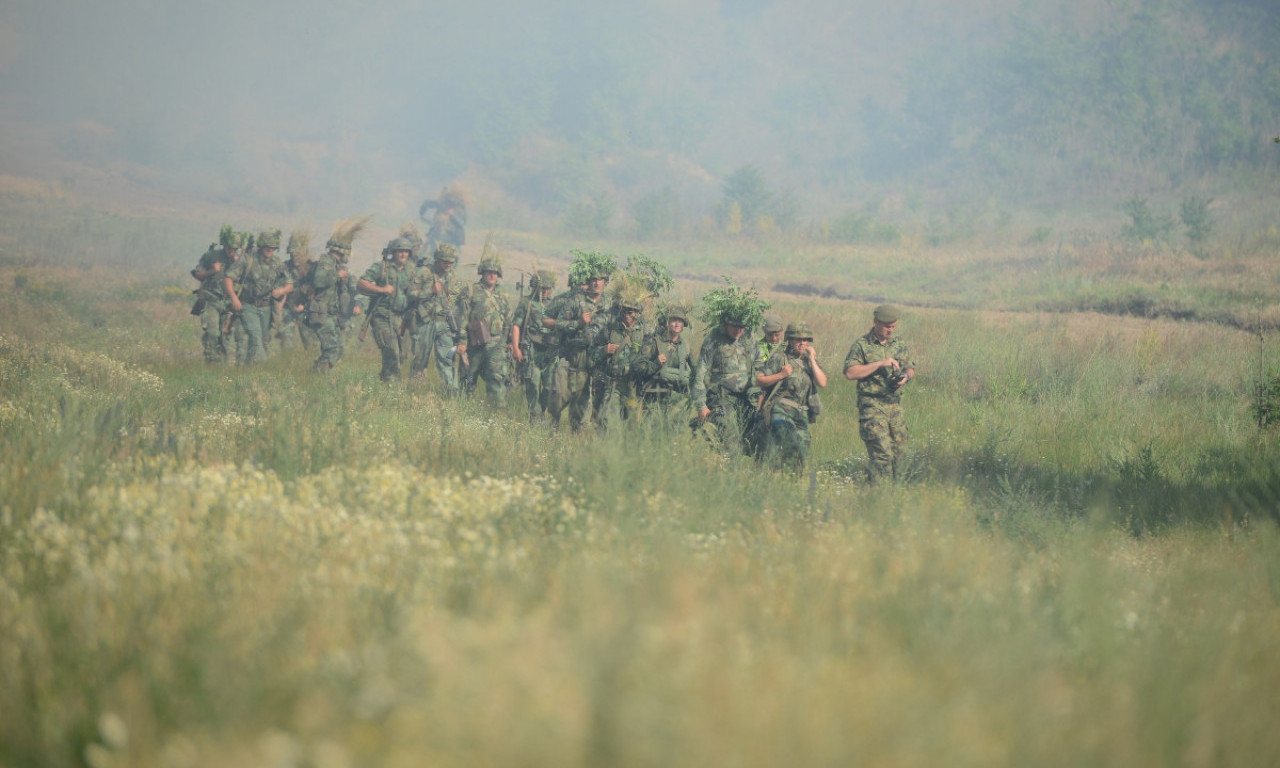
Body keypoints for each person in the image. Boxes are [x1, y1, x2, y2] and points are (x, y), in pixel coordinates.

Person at [543, 251, 616, 430]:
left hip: (592, 362)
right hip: (571, 357)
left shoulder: (609, 306)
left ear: (605, 282)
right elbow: (559, 323)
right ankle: (552, 427)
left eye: (600, 279)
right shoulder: (576, 301)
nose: (596, 282)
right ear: (588, 281)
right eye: (593, 279)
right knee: (558, 398)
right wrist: (578, 323)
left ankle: (576, 441)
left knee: (581, 409)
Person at [843, 304, 915, 484]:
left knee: (901, 453)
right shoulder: (862, 345)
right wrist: (879, 364)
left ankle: (895, 491)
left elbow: (910, 368)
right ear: (875, 322)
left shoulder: (899, 345)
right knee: (882, 453)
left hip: (894, 405)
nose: (890, 330)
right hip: (872, 406)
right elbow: (850, 373)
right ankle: (880, 493)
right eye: (886, 326)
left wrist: (905, 377)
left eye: (893, 326)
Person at [298, 216, 369, 373]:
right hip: (320, 312)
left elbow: (352, 287)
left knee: (340, 348)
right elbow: (318, 281)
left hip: (331, 315)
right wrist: (337, 275)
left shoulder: (337, 265)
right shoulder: (326, 262)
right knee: (332, 350)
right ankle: (317, 376)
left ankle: (314, 373)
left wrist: (357, 303)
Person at [755, 322, 828, 471]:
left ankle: (790, 482)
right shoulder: (780, 357)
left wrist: (812, 359)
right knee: (791, 443)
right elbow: (759, 380)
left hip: (802, 414)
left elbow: (822, 382)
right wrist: (781, 375)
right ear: (790, 340)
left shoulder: (809, 361)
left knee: (802, 456)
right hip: (782, 409)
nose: (802, 343)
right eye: (798, 339)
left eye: (805, 340)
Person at [586, 276, 650, 430]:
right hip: (612, 383)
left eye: (632, 311)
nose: (629, 314)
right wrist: (603, 350)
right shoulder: (609, 330)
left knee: (631, 422)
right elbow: (591, 354)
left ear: (637, 313)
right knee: (609, 419)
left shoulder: (644, 332)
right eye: (626, 310)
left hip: (632, 385)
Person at [692, 316, 761, 454]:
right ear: (725, 324)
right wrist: (701, 406)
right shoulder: (713, 340)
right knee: (731, 439)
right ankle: (730, 471)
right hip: (721, 397)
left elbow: (758, 364)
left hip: (746, 399)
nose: (738, 330)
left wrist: (759, 392)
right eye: (734, 326)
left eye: (742, 327)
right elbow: (700, 374)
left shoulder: (750, 338)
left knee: (755, 440)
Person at [224, 228, 291, 364]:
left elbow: (290, 283)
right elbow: (228, 278)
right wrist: (234, 298)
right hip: (248, 307)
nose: (270, 250)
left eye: (273, 248)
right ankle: (264, 367)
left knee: (264, 341)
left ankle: (248, 370)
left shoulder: (278, 263)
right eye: (267, 247)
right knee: (255, 337)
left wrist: (281, 290)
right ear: (261, 246)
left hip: (266, 308)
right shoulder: (248, 260)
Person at [454, 253, 512, 405]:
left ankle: (496, 412)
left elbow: (508, 319)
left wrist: (509, 341)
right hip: (474, 343)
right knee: (468, 378)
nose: (491, 275)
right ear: (482, 273)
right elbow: (463, 318)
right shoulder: (471, 291)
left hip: (496, 344)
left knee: (496, 377)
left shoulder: (503, 294)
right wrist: (461, 341)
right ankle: (462, 408)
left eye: (495, 273)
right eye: (488, 272)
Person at [358, 237, 416, 381]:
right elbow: (361, 283)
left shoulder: (411, 270)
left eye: (406, 251)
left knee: (402, 355)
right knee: (391, 352)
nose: (403, 255)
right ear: (393, 252)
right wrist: (381, 289)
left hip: (402, 318)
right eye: (399, 251)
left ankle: (385, 382)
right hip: (382, 316)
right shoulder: (382, 267)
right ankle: (392, 387)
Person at [408, 243, 462, 394]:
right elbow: (411, 294)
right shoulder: (423, 272)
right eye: (445, 261)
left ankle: (452, 392)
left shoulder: (453, 276)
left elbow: (456, 300)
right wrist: (429, 291)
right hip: (424, 321)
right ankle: (415, 392)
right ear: (437, 260)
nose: (448, 265)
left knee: (447, 357)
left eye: (451, 262)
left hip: (445, 323)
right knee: (420, 359)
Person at [633, 302, 694, 422]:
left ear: (683, 325)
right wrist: (656, 363)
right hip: (654, 396)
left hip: (677, 400)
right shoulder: (654, 342)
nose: (676, 324)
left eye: (680, 321)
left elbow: (696, 371)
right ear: (667, 322)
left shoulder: (685, 346)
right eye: (673, 320)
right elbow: (638, 366)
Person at [511, 270, 558, 421]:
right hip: (531, 350)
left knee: (550, 386)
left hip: (549, 352)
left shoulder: (554, 304)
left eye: (548, 288)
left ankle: (541, 409)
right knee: (532, 384)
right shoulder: (527, 302)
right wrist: (516, 347)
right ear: (535, 287)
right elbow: (516, 325)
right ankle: (536, 417)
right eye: (542, 288)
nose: (545, 291)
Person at [190, 225, 240, 363]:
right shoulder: (211, 256)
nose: (232, 251)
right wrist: (212, 271)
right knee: (212, 333)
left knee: (226, 336)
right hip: (211, 301)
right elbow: (198, 274)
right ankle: (211, 363)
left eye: (235, 249)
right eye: (230, 248)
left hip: (229, 303)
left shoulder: (239, 261)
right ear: (224, 245)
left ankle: (223, 364)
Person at [279, 230, 317, 350]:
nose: (295, 257)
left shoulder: (312, 268)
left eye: (297, 254)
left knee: (310, 343)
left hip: (306, 310)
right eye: (292, 255)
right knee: (286, 341)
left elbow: (316, 291)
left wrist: (304, 306)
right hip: (288, 309)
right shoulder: (284, 267)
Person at [419, 185, 466, 256]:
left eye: (453, 203)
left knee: (453, 259)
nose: (450, 204)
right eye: (449, 202)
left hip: (453, 241)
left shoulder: (460, 210)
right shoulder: (440, 206)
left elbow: (462, 223)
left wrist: (452, 215)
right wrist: (433, 203)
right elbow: (426, 208)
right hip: (437, 240)